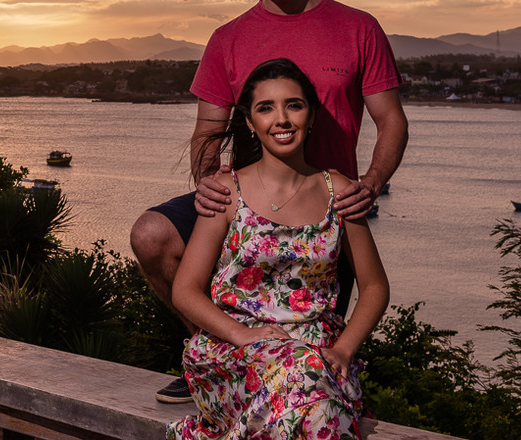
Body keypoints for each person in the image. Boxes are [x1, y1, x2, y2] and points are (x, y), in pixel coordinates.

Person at [131, 0, 407, 403]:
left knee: (309, 348)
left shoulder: (358, 28)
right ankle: (210, 348)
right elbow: (207, 132)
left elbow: (391, 120)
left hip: (326, 207)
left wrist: (371, 182)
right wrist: (209, 182)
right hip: (249, 202)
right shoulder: (228, 39)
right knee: (151, 234)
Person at [166, 57, 389, 440]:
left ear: (312, 116)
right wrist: (241, 334)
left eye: (294, 105)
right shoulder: (226, 192)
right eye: (265, 108)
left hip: (318, 356)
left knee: (312, 397)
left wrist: (344, 351)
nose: (281, 119)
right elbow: (185, 291)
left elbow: (374, 287)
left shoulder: (339, 191)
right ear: (251, 124)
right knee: (314, 401)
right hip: (235, 354)